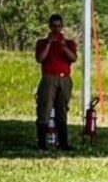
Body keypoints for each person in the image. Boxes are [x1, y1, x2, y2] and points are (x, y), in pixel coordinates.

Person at [33, 13, 77, 152]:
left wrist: (63, 47)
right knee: (45, 109)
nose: (56, 30)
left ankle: (63, 143)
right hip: (49, 77)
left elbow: (73, 58)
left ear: (62, 27)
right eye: (53, 26)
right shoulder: (42, 42)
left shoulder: (69, 43)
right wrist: (49, 43)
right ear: (49, 27)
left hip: (64, 78)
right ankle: (42, 143)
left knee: (62, 110)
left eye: (59, 26)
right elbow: (40, 58)